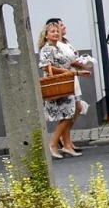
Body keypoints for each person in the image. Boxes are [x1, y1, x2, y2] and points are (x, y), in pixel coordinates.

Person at [37, 18, 88, 158]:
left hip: (66, 84)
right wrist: (65, 72)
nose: (56, 33)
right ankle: (53, 144)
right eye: (52, 31)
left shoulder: (59, 47)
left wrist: (78, 72)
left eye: (57, 31)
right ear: (46, 35)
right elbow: (45, 66)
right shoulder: (47, 48)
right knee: (66, 116)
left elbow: (68, 65)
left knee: (68, 115)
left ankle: (65, 145)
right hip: (57, 85)